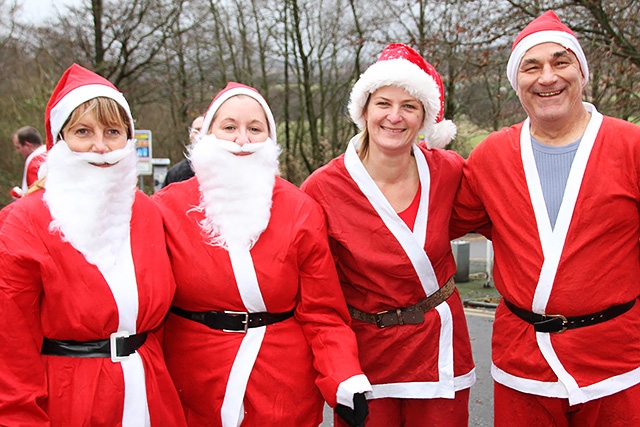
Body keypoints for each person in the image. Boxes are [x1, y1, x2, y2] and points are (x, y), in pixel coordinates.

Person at [451, 10, 640, 426]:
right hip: (523, 359)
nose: (547, 77)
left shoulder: (630, 145)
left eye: (561, 62)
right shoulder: (491, 157)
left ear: (582, 72)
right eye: (530, 67)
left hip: (618, 360)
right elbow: (435, 221)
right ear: (516, 84)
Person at [153, 82, 372, 427]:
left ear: (269, 139)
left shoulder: (301, 209)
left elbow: (323, 313)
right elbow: (147, 311)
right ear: (208, 135)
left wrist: (343, 376)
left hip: (281, 383)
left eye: (255, 129)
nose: (242, 140)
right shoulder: (166, 209)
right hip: (193, 379)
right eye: (229, 127)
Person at [0, 63, 187, 426]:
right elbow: (10, 347)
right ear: (60, 138)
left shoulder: (148, 213)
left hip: (151, 393)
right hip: (71, 399)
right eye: (83, 131)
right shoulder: (23, 222)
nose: (100, 146)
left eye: (113, 131)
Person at [301, 43, 476, 427]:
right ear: (363, 110)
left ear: (424, 118)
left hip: (439, 349)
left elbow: (508, 221)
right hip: (364, 354)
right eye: (383, 104)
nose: (394, 117)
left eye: (409, 106)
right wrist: (337, 370)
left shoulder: (449, 172)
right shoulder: (322, 188)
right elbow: (316, 299)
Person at [161, 115, 203, 187]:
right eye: (196, 130)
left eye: (204, 129)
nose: (200, 134)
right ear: (190, 135)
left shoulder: (224, 169)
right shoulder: (176, 173)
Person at [10, 125, 47, 198]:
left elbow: (35, 195)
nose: (18, 151)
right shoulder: (53, 152)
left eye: (18, 147)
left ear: (28, 145)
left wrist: (19, 196)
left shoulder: (34, 162)